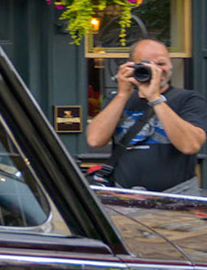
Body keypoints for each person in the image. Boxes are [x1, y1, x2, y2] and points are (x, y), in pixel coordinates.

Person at [85, 39, 207, 193]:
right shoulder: (119, 99)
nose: (155, 70)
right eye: (146, 64)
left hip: (177, 196)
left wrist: (155, 98)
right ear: (131, 66)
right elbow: (95, 140)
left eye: (161, 64)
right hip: (125, 196)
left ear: (170, 65)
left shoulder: (189, 99)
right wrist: (123, 94)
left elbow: (191, 145)